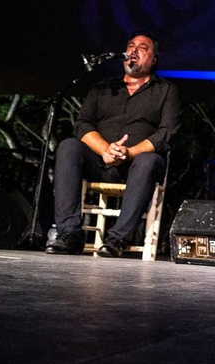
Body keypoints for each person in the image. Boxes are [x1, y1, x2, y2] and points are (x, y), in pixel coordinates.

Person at [46, 32, 181, 257]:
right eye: (131, 46)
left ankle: (118, 239)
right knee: (69, 146)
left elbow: (168, 132)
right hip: (101, 161)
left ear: (154, 59)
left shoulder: (166, 91)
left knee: (149, 160)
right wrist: (105, 149)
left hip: (138, 166)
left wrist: (131, 152)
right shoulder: (103, 88)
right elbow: (82, 124)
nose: (134, 50)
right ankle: (69, 234)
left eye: (143, 47)